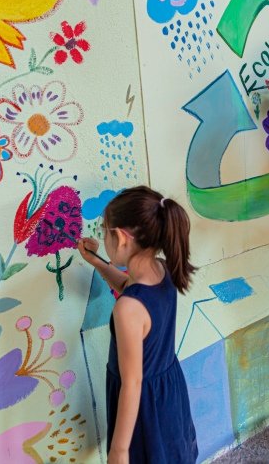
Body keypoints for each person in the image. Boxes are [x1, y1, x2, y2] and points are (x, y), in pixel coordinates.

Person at [77, 186, 198, 464]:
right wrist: (97, 261)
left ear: (120, 237)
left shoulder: (127, 309)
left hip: (144, 405)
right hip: (167, 391)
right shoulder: (161, 269)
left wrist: (119, 451)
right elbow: (126, 285)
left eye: (104, 230)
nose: (102, 237)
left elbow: (132, 383)